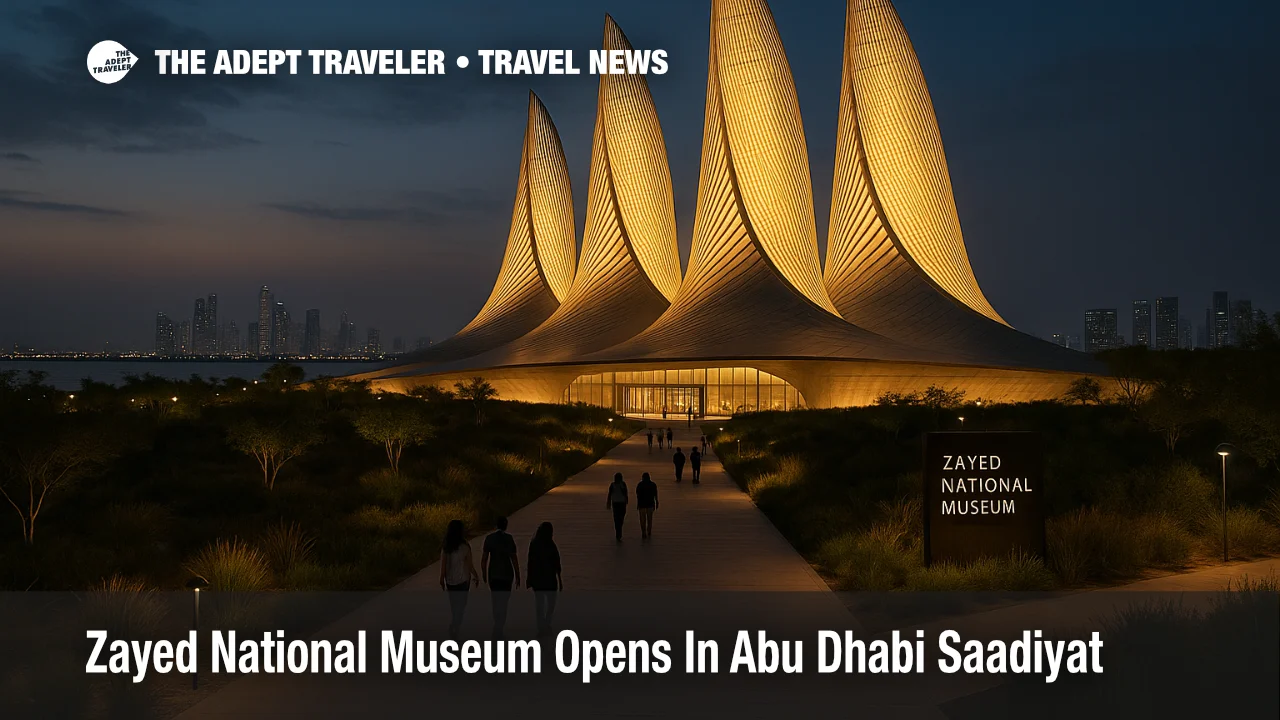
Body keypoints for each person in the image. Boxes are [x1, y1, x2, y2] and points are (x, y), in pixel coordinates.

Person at [438, 519, 479, 640]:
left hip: (450, 582)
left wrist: (442, 579)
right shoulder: (465, 547)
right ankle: (454, 626)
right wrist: (476, 575)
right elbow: (470, 565)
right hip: (463, 581)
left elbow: (443, 566)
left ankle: (455, 627)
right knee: (461, 607)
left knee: (455, 606)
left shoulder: (446, 548)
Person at [481, 516, 520, 640]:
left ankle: (497, 625)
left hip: (494, 575)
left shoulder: (489, 538)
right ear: (506, 526)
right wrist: (518, 575)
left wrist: (484, 573)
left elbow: (484, 558)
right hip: (507, 575)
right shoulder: (509, 539)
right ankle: (499, 627)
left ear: (496, 525)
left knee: (495, 601)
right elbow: (514, 558)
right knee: (504, 603)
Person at [527, 522, 562, 637]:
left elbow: (530, 562)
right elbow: (557, 563)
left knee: (539, 604)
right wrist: (560, 580)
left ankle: (541, 625)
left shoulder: (534, 544)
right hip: (550, 579)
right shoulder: (551, 545)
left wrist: (529, 578)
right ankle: (546, 622)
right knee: (551, 604)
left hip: (538, 579)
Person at [606, 472, 629, 542]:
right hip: (618, 503)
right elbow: (610, 493)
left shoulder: (622, 484)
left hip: (619, 502)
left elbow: (625, 492)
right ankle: (618, 532)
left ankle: (618, 531)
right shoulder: (613, 485)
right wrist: (609, 502)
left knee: (619, 518)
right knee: (617, 518)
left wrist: (609, 502)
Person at [636, 472, 658, 539]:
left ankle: (643, 532)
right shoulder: (653, 485)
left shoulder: (640, 485)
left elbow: (638, 495)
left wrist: (638, 504)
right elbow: (655, 494)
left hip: (642, 504)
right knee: (649, 519)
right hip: (650, 504)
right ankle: (649, 530)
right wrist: (656, 502)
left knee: (642, 519)